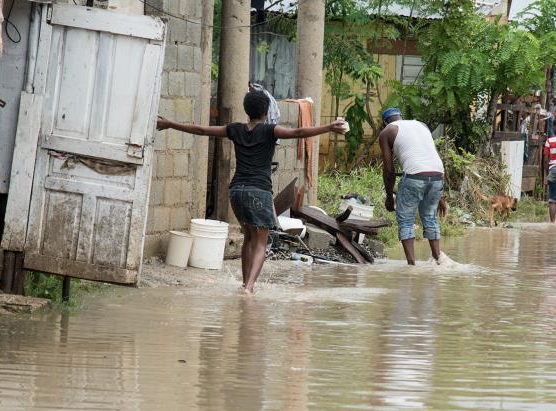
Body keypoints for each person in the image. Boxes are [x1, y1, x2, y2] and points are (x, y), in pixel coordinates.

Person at [157, 90, 346, 294]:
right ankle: (249, 287)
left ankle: (245, 284)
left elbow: (201, 130)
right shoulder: (270, 131)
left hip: (236, 192)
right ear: (265, 112)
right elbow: (298, 133)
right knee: (260, 243)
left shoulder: (235, 129)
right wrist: (328, 127)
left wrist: (169, 123)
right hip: (259, 192)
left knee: (248, 237)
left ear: (247, 111)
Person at [378, 108, 446, 266]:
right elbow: (433, 157)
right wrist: (441, 196)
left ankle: (412, 266)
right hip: (437, 175)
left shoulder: (387, 131)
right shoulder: (422, 125)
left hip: (414, 176)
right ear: (401, 117)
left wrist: (389, 197)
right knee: (430, 218)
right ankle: (438, 259)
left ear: (384, 122)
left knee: (406, 220)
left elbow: (389, 170)